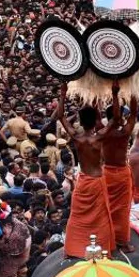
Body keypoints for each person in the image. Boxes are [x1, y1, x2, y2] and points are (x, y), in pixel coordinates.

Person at [52, 85, 114, 257]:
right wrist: (114, 94)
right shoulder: (99, 136)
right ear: (94, 121)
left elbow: (59, 116)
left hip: (83, 181)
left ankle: (72, 248)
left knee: (77, 216)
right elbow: (115, 119)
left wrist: (63, 94)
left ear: (80, 119)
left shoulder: (76, 137)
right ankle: (102, 248)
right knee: (100, 218)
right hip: (96, 181)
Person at [100, 83, 138, 253]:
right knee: (122, 208)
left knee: (106, 205)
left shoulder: (102, 130)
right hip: (121, 173)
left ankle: (106, 236)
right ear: (120, 117)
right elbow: (135, 113)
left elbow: (94, 116)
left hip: (106, 173)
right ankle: (122, 241)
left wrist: (94, 96)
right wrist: (134, 92)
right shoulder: (124, 132)